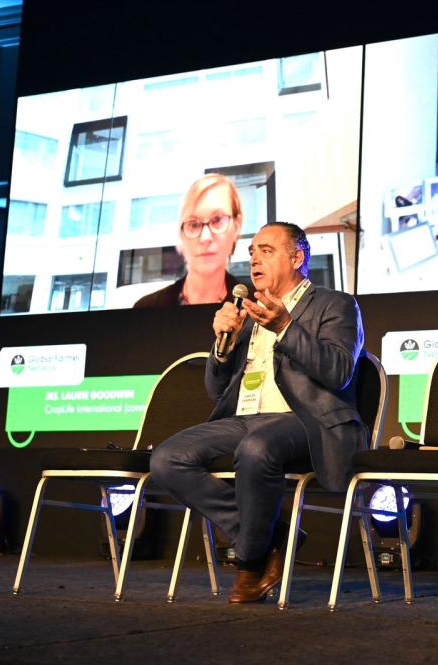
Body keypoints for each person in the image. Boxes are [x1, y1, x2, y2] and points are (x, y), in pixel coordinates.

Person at [149, 222, 366, 603]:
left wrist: (285, 326)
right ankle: (273, 535)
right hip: (245, 418)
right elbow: (217, 393)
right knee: (168, 459)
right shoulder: (246, 311)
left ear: (298, 258)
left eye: (266, 250)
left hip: (307, 420)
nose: (254, 260)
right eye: (251, 253)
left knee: (256, 448)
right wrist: (223, 348)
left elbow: (339, 371)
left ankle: (249, 563)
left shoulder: (335, 304)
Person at [134, 174, 247, 307]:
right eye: (193, 224)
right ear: (181, 234)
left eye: (217, 220)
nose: (205, 238)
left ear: (236, 226)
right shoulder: (147, 309)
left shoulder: (259, 310)